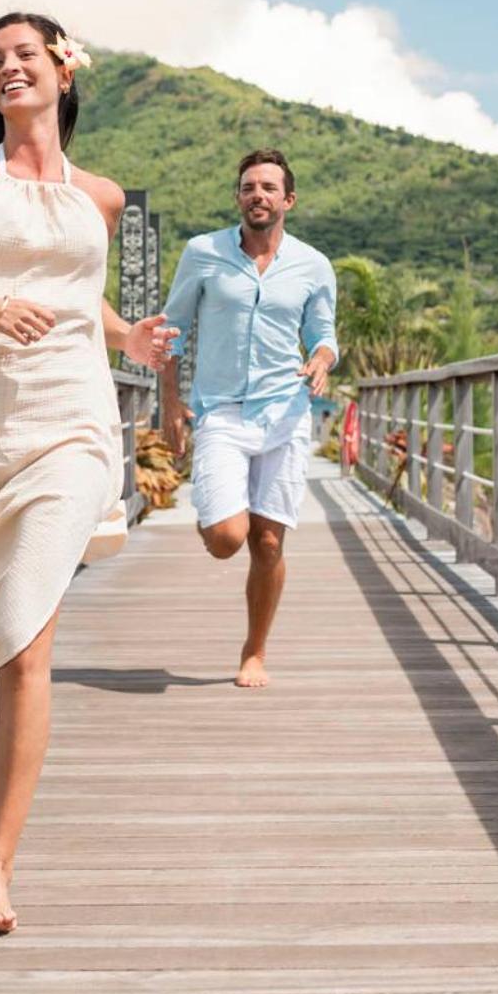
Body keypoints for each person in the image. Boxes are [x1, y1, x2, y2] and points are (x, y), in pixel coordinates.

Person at [0, 13, 175, 933]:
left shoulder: (102, 197)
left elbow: (77, 295)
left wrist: (129, 336)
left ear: (63, 69)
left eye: (24, 55)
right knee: (4, 624)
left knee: (26, 643)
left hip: (74, 420)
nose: (8, 68)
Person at [159, 150, 338, 688]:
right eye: (248, 187)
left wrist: (321, 359)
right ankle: (213, 511)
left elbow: (324, 334)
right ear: (238, 197)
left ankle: (254, 651)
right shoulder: (203, 253)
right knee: (226, 538)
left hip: (285, 411)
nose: (257, 195)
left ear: (289, 200)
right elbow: (171, 331)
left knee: (268, 542)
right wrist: (171, 403)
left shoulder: (313, 265)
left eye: (268, 187)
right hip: (220, 411)